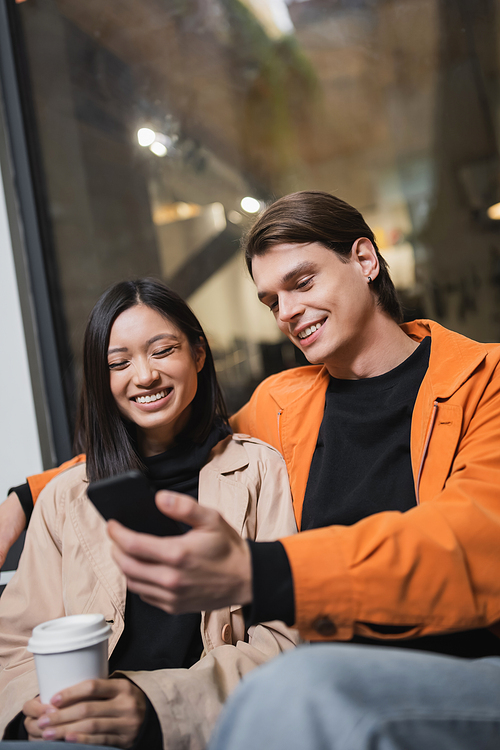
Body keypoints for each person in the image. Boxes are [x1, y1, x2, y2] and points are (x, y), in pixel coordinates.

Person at [3, 190, 500, 745]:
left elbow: (473, 540)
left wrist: (261, 572)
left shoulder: (486, 381)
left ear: (365, 260)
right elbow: (177, 444)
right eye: (271, 301)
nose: (286, 313)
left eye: (302, 282)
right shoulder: (283, 404)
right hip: (325, 683)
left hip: (464, 662)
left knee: (295, 690)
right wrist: (30, 495)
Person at [0, 278, 298, 748]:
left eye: (162, 351)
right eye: (118, 363)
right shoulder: (64, 497)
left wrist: (153, 702)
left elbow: (285, 640)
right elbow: (13, 646)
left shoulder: (258, 468)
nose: (144, 376)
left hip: (215, 731)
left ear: (198, 354)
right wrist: (34, 714)